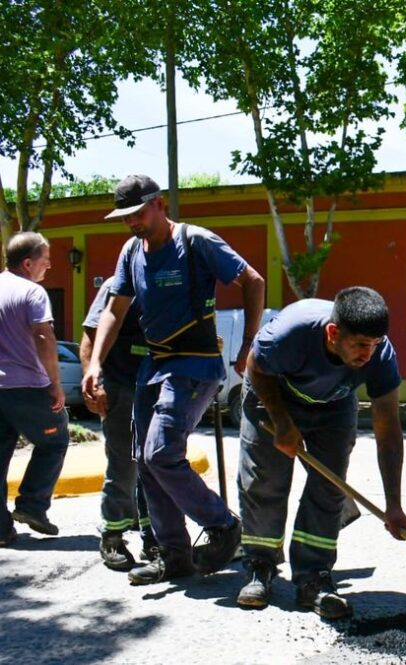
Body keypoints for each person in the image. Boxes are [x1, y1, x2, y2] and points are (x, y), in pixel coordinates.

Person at [83, 174, 265, 585]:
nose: (132, 222)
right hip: (154, 367)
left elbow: (253, 280)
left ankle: (223, 526)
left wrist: (248, 342)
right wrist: (94, 363)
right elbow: (114, 310)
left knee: (161, 452)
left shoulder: (196, 241)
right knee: (146, 461)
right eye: (125, 217)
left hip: (195, 364)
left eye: (138, 213)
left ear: (160, 204)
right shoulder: (131, 251)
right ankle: (174, 555)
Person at [235, 287, 406, 619]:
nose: (368, 354)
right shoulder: (291, 333)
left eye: (374, 344)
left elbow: (388, 431)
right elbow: (256, 367)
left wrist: (394, 505)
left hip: (334, 403)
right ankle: (260, 565)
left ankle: (313, 576)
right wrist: (282, 422)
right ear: (333, 333)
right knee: (264, 478)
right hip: (273, 390)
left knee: (329, 484)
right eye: (360, 345)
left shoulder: (380, 355)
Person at [80, 276, 157, 570]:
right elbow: (90, 336)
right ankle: (112, 535)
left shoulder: (171, 279)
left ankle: (153, 536)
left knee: (157, 464)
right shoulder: (117, 285)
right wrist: (93, 381)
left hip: (158, 386)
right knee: (123, 463)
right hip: (120, 386)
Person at [0, 232, 70, 545]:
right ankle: (32, 505)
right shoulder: (32, 292)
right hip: (27, 386)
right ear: (28, 263)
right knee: (55, 441)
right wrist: (55, 383)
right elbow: (44, 336)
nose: (49, 266)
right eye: (45, 260)